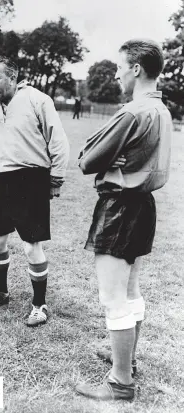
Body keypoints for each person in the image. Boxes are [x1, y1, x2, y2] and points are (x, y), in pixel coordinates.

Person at [75, 39, 172, 401]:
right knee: (130, 292)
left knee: (113, 297)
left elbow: (87, 160)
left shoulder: (133, 111)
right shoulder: (160, 109)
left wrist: (98, 154)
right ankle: (126, 361)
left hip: (118, 207)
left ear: (136, 69)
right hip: (143, 206)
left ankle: (120, 383)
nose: (116, 74)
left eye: (120, 67)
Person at [0, 56, 69, 327]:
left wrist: (56, 180)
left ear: (13, 78)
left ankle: (39, 304)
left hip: (31, 179)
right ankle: (0, 292)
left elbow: (58, 141)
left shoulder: (37, 100)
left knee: (31, 245)